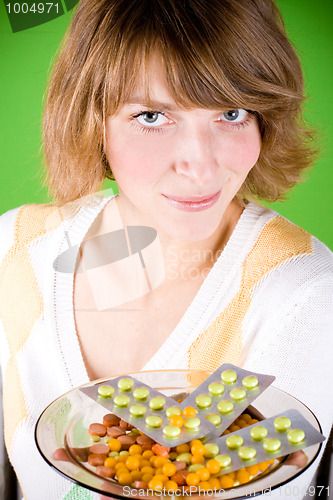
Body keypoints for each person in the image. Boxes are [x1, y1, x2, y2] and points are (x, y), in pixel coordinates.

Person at [0, 0, 332, 498]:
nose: (200, 166)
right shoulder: (16, 249)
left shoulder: (306, 296)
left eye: (231, 113)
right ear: (94, 121)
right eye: (152, 116)